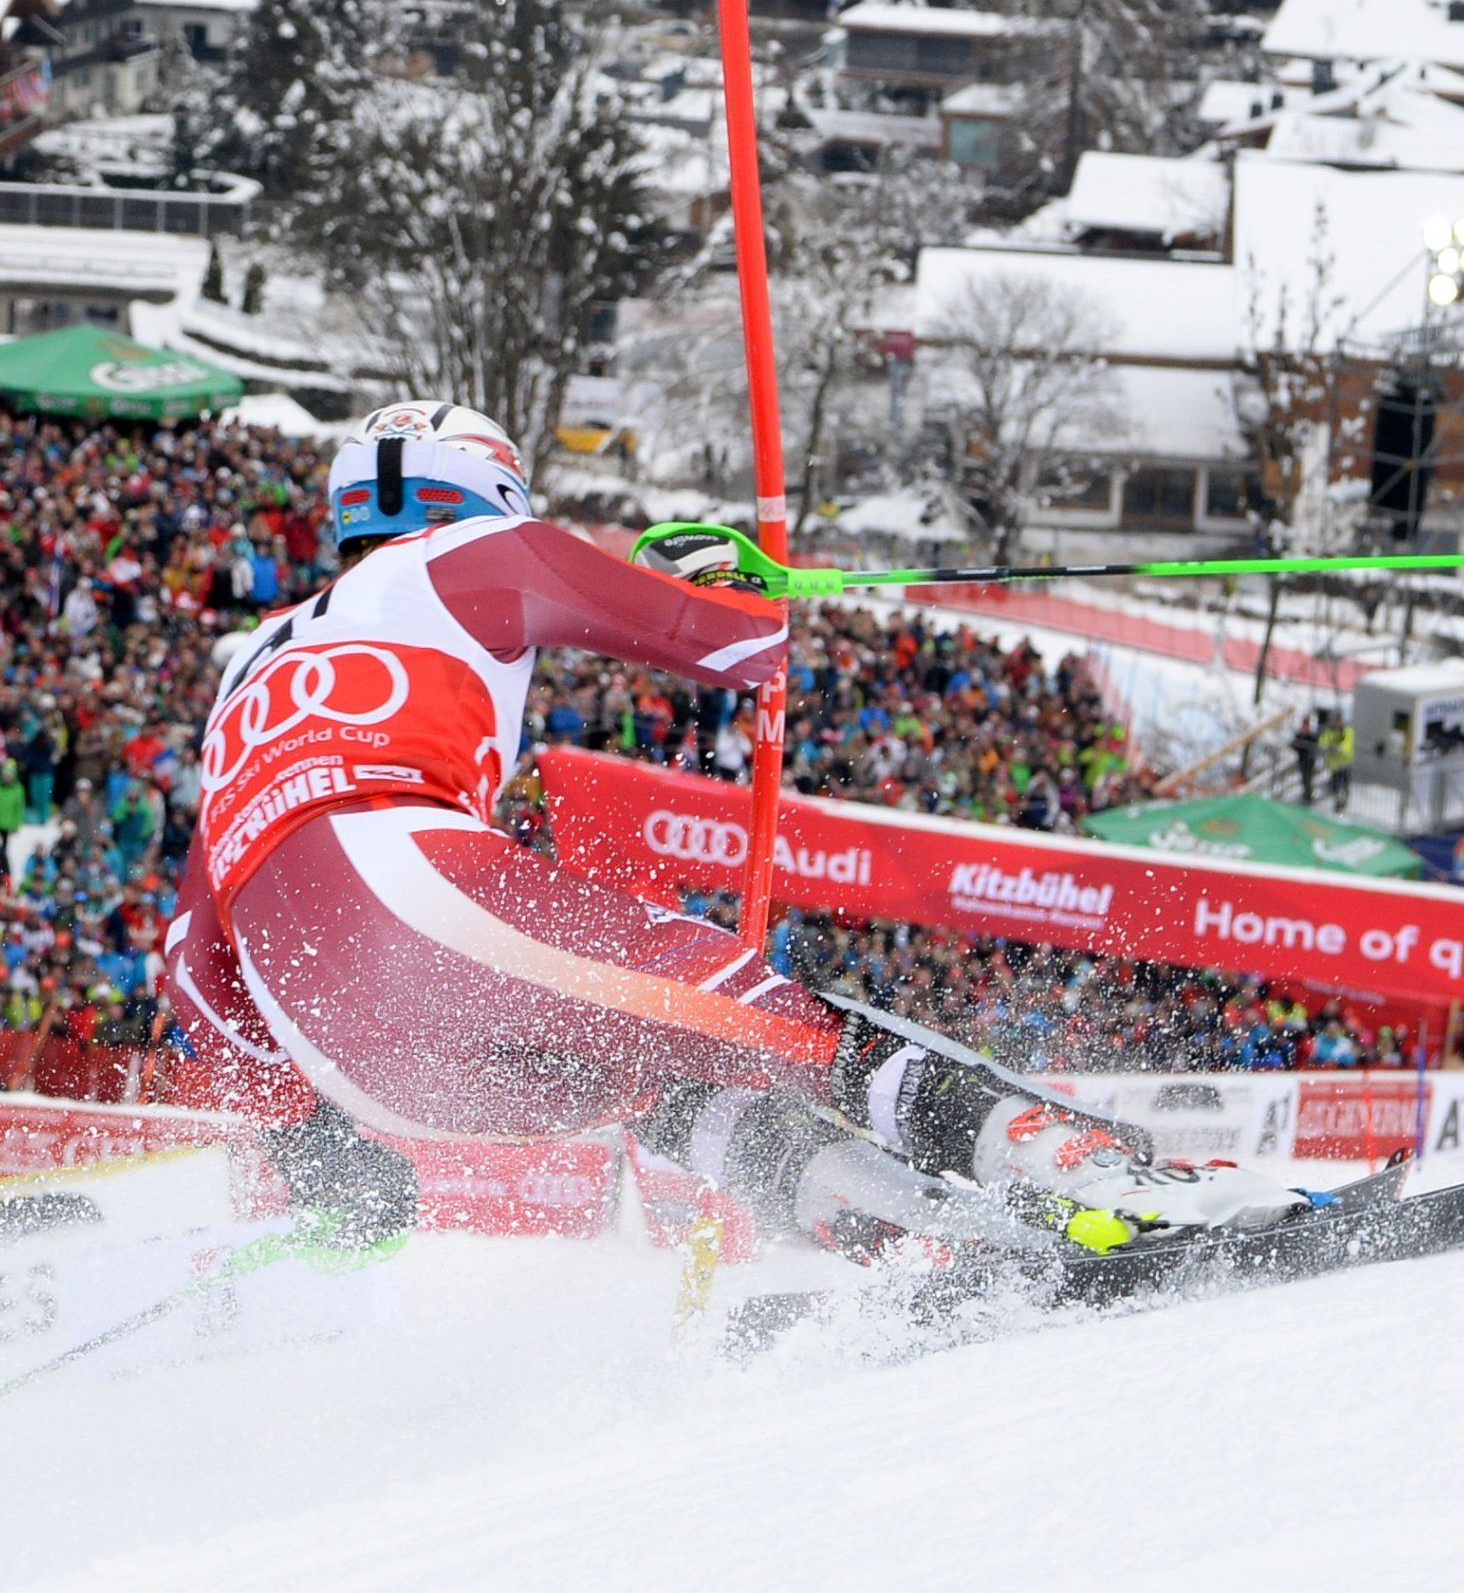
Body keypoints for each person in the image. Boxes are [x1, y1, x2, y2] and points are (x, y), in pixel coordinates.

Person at [166, 403, 1306, 1268]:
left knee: (653, 1078)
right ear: (490, 495)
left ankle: (918, 1230)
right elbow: (726, 640)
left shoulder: (243, 671)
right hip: (405, 877)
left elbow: (191, 963)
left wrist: (311, 1131)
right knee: (758, 1016)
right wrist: (736, 586)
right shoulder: (466, 557)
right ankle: (1088, 1179)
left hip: (344, 1032)